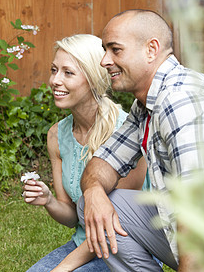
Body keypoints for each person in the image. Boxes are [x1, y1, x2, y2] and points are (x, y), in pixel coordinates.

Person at [78, 9, 204, 271]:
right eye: (104, 50)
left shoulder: (180, 100)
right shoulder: (146, 104)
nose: (104, 61)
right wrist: (93, 192)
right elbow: (101, 165)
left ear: (151, 49)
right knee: (98, 203)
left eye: (115, 50)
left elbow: (197, 209)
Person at [22, 34, 149, 271]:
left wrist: (61, 268)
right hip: (84, 244)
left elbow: (117, 220)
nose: (55, 80)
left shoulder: (126, 133)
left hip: (124, 245)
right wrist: (48, 200)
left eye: (68, 73)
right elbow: (72, 216)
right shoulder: (57, 135)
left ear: (92, 79)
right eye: (54, 70)